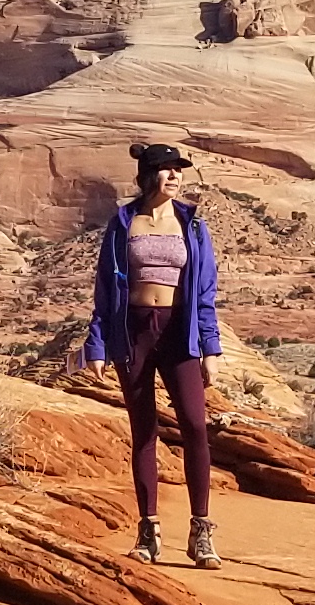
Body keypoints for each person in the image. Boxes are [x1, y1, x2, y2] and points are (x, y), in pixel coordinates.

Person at [77, 141, 223, 567]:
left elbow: (206, 293)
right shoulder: (123, 223)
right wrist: (97, 344)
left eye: (179, 169)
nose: (175, 176)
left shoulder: (192, 225)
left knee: (195, 426)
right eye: (165, 169)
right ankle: (149, 531)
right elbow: (105, 290)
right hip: (134, 333)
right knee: (143, 431)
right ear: (146, 176)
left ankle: (201, 531)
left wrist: (210, 347)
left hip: (180, 333)